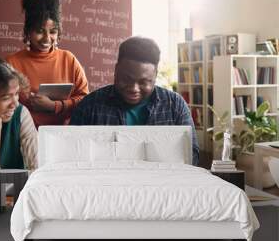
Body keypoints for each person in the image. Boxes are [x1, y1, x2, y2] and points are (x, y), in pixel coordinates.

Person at [70, 36, 199, 166]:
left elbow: (191, 155)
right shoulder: (90, 106)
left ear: (155, 76)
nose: (134, 89)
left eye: (144, 82)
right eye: (126, 79)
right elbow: (72, 154)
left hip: (162, 182)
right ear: (116, 70)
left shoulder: (175, 106)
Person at [6, 0, 89, 127]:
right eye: (39, 31)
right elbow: (3, 103)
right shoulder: (11, 63)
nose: (47, 38)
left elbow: (85, 99)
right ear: (28, 31)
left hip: (63, 136)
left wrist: (55, 106)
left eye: (53, 31)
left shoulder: (69, 60)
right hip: (21, 137)